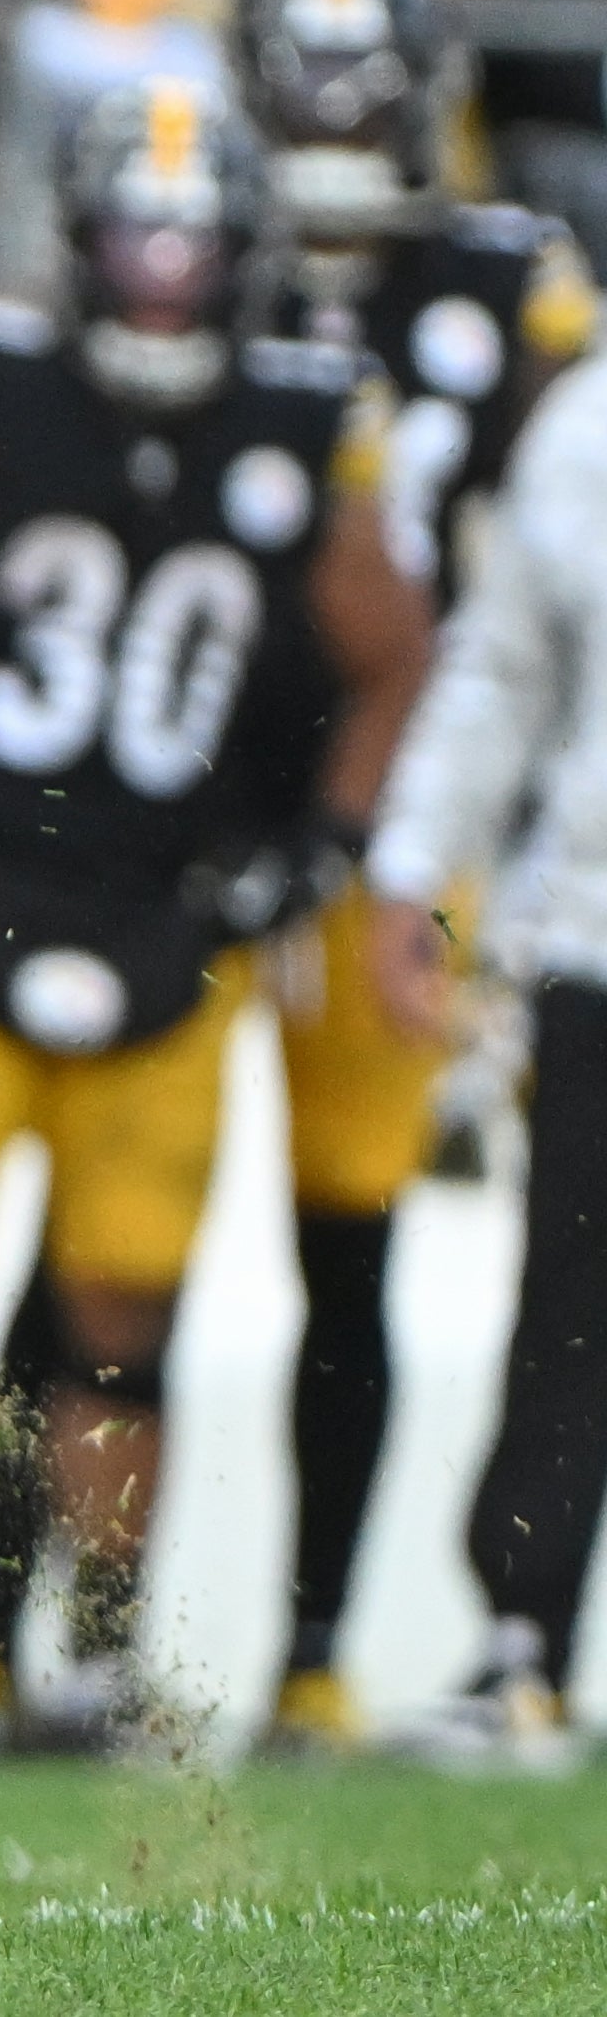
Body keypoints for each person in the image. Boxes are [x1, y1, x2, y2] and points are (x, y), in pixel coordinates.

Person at [0, 77, 436, 1758]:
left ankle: (94, 1660)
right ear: (73, 240)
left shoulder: (303, 409)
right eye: (130, 236)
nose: (158, 276)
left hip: (165, 916)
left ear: (248, 253)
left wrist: (320, 848)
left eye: (192, 244)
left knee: (118, 1321)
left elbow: (392, 652)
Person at [233, 0, 591, 1748]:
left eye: (359, 76)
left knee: (366, 1254)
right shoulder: (191, 250)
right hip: (196, 814)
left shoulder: (514, 289)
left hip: (403, 823)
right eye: (304, 71)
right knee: (100, 1273)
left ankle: (349, 1646)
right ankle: (42, 1649)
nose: (331, 112)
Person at [364, 328, 607, 1765]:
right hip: (594, 927)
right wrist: (416, 862)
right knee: (571, 1298)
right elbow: (504, 665)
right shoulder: (586, 420)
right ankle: (523, 1639)